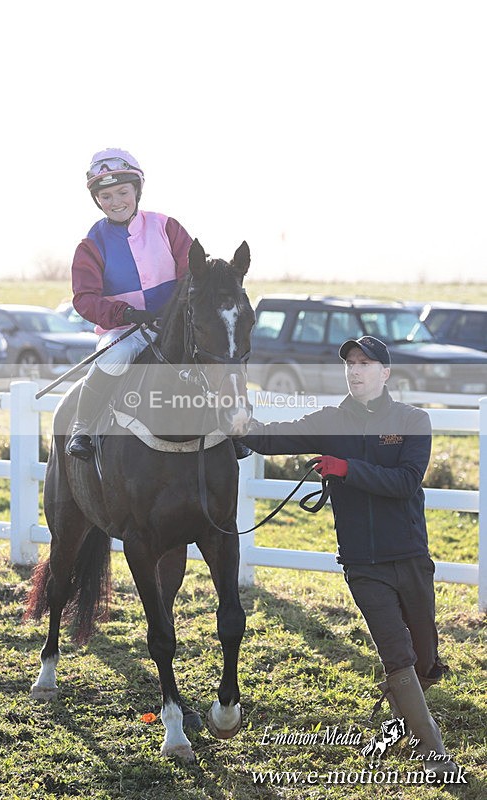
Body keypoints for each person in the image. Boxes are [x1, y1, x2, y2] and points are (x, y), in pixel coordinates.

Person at [241, 335, 457, 775]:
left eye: (365, 363)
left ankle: (399, 720)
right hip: (362, 563)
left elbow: (405, 482)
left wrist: (346, 469)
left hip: (411, 555)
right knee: (398, 655)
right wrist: (233, 414)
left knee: (426, 658)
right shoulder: (330, 420)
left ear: (385, 373)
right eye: (351, 363)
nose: (355, 370)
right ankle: (432, 752)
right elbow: (266, 438)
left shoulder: (413, 420)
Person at [66, 147, 193, 460]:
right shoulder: (91, 244)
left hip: (175, 324)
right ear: (96, 200)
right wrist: (125, 313)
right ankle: (83, 428)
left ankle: (231, 432)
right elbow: (84, 299)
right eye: (105, 196)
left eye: (122, 192)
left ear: (137, 190)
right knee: (113, 356)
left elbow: (192, 275)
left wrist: (178, 309)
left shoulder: (168, 227)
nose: (115, 202)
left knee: (210, 354)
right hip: (126, 329)